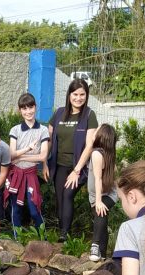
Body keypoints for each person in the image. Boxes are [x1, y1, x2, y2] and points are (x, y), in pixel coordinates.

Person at [48, 79, 99, 241]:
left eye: (82, 94)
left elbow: (89, 145)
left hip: (79, 166)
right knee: (60, 198)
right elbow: (48, 138)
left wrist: (77, 171)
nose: (78, 98)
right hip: (59, 165)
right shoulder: (59, 113)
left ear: (86, 96)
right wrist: (43, 162)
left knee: (68, 194)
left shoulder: (89, 115)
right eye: (75, 94)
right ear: (69, 95)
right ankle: (62, 232)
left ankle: (64, 234)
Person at [7, 93, 49, 236]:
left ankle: (43, 238)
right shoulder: (15, 130)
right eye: (24, 108)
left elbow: (43, 156)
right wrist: (27, 150)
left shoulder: (43, 130)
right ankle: (17, 239)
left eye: (30, 107)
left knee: (34, 208)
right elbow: (11, 155)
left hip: (31, 173)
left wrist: (21, 157)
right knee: (15, 209)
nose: (28, 111)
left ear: (35, 107)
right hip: (16, 174)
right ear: (20, 111)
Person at [87, 124, 118, 261]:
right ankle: (103, 256)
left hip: (107, 195)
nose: (94, 133)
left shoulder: (97, 154)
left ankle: (95, 245)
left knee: (100, 212)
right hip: (97, 194)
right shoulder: (105, 152)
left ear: (101, 137)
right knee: (103, 223)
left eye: (97, 131)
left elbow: (98, 178)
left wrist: (99, 201)